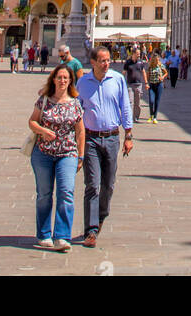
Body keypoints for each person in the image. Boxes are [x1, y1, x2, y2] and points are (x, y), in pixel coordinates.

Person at [76, 46, 134, 247]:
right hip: (90, 138)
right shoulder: (82, 83)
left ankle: (101, 216)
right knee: (92, 184)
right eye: (102, 60)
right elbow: (77, 111)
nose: (106, 63)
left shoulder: (117, 79)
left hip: (111, 138)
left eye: (108, 60)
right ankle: (90, 231)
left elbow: (125, 106)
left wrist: (128, 134)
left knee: (108, 185)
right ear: (93, 62)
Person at [28, 63, 85, 251]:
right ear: (53, 79)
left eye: (65, 78)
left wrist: (81, 155)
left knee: (66, 192)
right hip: (43, 153)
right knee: (44, 194)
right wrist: (43, 130)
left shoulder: (75, 102)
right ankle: (44, 234)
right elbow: (32, 121)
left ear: (70, 82)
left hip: (67, 153)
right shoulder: (44, 99)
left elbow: (80, 131)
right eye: (59, 77)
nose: (62, 81)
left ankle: (62, 236)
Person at [123, 46, 148, 122]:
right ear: (133, 54)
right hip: (130, 85)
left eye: (139, 54)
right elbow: (123, 73)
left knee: (137, 103)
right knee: (130, 102)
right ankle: (129, 118)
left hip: (138, 85)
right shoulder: (128, 62)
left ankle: (136, 118)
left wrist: (146, 83)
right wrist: (121, 82)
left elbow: (143, 72)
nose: (139, 55)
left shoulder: (140, 62)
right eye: (137, 54)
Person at [147, 51, 167, 122]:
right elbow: (147, 75)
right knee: (151, 101)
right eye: (155, 59)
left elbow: (166, 72)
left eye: (158, 59)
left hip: (159, 85)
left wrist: (162, 77)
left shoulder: (160, 65)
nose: (157, 60)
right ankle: (151, 115)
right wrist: (147, 83)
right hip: (152, 85)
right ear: (153, 59)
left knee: (157, 101)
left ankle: (155, 117)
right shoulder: (150, 66)